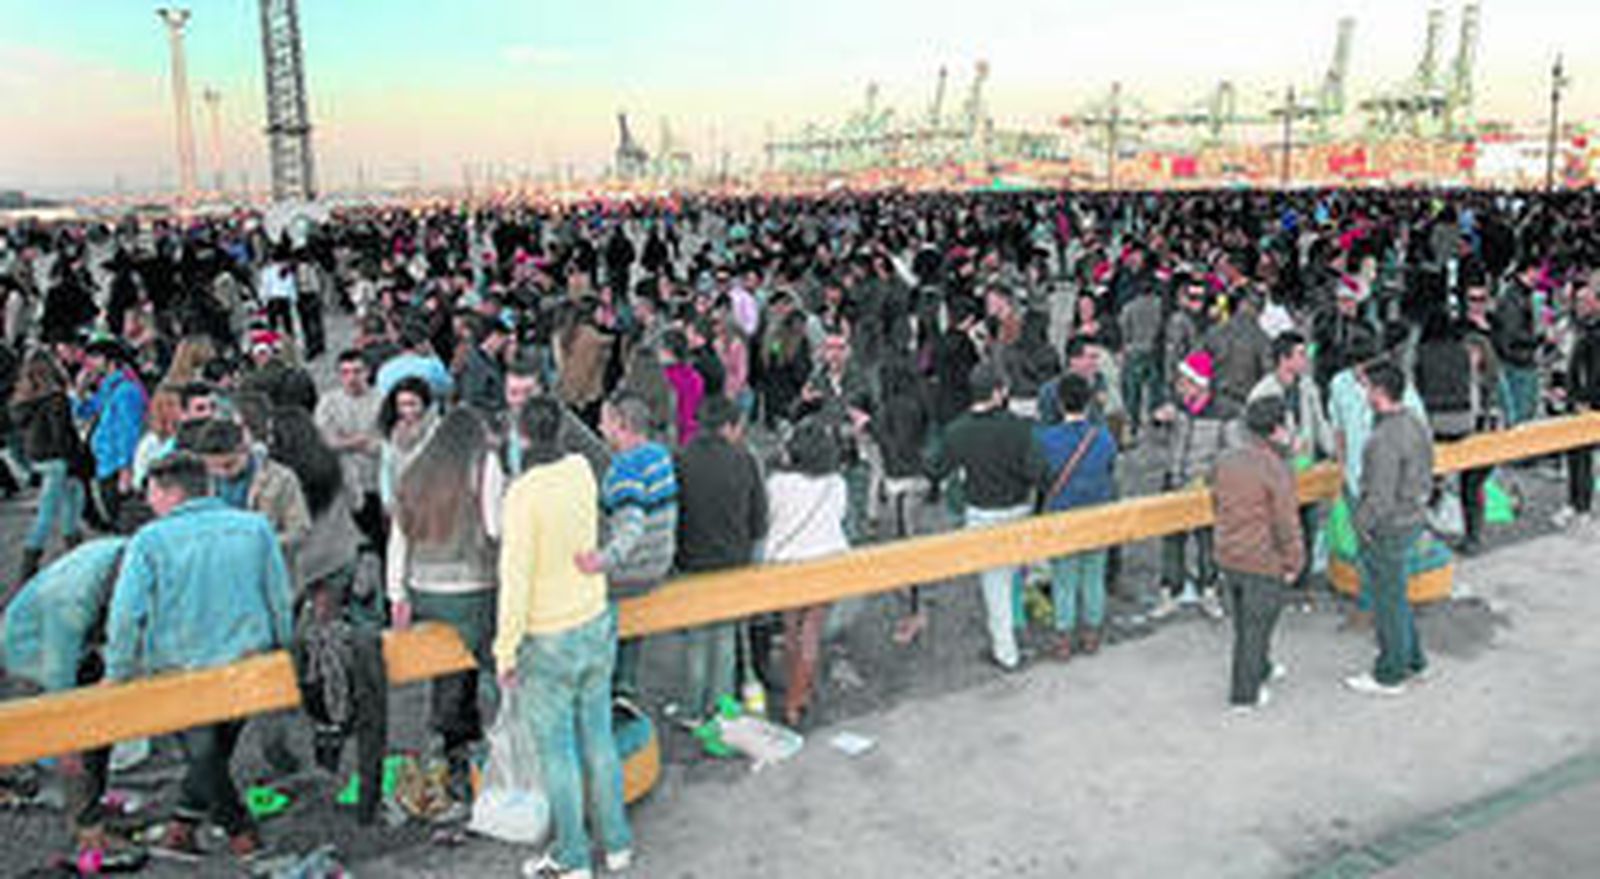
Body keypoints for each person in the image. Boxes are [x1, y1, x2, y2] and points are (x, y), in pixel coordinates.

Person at [105, 452, 293, 859]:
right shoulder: (255, 528)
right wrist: (284, 648)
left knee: (205, 755)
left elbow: (126, 613)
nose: (148, 500)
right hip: (249, 659)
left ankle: (243, 834)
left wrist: (117, 672)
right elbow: (279, 595)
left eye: (150, 491)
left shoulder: (150, 540)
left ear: (170, 492)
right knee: (214, 753)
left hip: (180, 665)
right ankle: (181, 830)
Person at [496, 396, 633, 879]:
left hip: (547, 636)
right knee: (598, 735)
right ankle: (616, 843)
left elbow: (515, 579)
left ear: (523, 437)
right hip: (594, 619)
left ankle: (573, 855)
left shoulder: (521, 494)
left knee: (558, 752)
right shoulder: (580, 469)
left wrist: (504, 650)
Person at [2, 537, 147, 870]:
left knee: (102, 723)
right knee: (79, 739)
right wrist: (67, 744)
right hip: (34, 643)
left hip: (79, 642)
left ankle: (90, 804)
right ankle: (87, 829)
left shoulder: (136, 555)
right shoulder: (71, 600)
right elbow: (59, 677)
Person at [388, 406, 504, 809]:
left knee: (447, 673)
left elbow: (398, 540)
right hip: (474, 585)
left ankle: (452, 746)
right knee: (485, 670)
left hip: (424, 588)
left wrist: (397, 594)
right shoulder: (484, 466)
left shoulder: (416, 471)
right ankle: (476, 750)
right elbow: (495, 527)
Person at [933, 361, 1047, 671]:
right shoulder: (1021, 428)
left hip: (981, 514)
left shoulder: (957, 431)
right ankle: (1023, 624)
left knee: (994, 586)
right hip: (1019, 510)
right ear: (999, 393)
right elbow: (1040, 473)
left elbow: (936, 468)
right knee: (1017, 574)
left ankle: (1006, 652)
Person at [575, 391, 679, 699]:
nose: (599, 427)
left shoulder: (624, 469)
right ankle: (626, 685)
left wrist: (601, 560)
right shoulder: (660, 455)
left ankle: (599, 685)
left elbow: (631, 527)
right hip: (659, 563)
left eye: (604, 421)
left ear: (621, 424)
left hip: (631, 571)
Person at [674, 395, 767, 720]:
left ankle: (692, 709)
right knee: (726, 639)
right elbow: (759, 520)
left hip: (692, 561)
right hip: (733, 562)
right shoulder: (745, 460)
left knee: (698, 640)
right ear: (729, 426)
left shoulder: (681, 458)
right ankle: (720, 708)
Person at [1345, 359, 1433, 696]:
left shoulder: (1383, 438)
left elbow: (1379, 499)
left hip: (1388, 526)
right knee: (1397, 597)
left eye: (1366, 387)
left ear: (1379, 393)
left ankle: (1390, 673)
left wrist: (1360, 523)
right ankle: (1414, 660)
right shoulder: (1414, 422)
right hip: (1410, 518)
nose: (1363, 393)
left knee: (1388, 603)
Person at [1212, 396, 1304, 711]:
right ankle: (1244, 693)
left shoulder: (1225, 459)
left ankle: (1261, 666)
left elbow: (1217, 503)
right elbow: (1285, 522)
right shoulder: (1275, 469)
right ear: (1277, 429)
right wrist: (1294, 561)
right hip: (1262, 559)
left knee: (1245, 619)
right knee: (1257, 625)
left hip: (1228, 552)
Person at [763, 419, 850, 725]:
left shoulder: (777, 484)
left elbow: (767, 520)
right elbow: (840, 518)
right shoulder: (837, 484)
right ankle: (797, 700)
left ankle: (794, 691)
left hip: (786, 567)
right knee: (811, 632)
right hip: (826, 564)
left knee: (790, 632)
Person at [1035, 374, 1118, 660]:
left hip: (1063, 516)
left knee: (1064, 579)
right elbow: (1110, 471)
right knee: (1094, 576)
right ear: (1089, 401)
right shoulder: (1104, 438)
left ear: (1059, 403)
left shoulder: (1046, 439)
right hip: (1097, 514)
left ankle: (1063, 639)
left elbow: (1042, 479)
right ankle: (1092, 634)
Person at [1150, 350, 1229, 620]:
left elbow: (1229, 452)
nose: (1178, 387)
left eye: (1184, 382)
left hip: (1204, 487)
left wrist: (1212, 479)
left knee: (1208, 543)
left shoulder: (1222, 413)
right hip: (1174, 482)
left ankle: (1210, 589)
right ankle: (1170, 590)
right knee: (1172, 541)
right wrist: (1158, 423)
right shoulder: (1177, 408)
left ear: (1199, 385)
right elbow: (1156, 441)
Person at [7, 348, 88, 594]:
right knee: (51, 511)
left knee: (68, 503)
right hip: (58, 458)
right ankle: (30, 566)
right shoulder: (56, 399)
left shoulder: (23, 401)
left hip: (39, 458)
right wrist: (77, 459)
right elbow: (62, 434)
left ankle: (72, 554)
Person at [73, 337, 148, 532]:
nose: (89, 364)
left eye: (95, 357)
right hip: (105, 462)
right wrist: (80, 390)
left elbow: (129, 432)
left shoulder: (126, 391)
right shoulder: (107, 388)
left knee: (122, 521)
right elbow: (84, 411)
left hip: (116, 466)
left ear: (111, 361)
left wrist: (126, 468)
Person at [316, 349, 385, 553]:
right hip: (344, 483)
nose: (351, 378)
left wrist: (343, 442)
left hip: (377, 480)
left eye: (357, 371)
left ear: (368, 372)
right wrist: (359, 441)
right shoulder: (328, 402)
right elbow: (323, 441)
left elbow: (389, 441)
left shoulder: (382, 400)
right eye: (345, 372)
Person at [1554, 270, 1598, 532]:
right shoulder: (1579, 328)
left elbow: (1594, 373)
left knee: (1582, 455)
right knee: (1574, 455)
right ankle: (1574, 503)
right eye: (1577, 302)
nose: (1578, 306)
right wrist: (1561, 387)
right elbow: (1569, 362)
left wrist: (1586, 400)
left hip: (1587, 403)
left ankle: (1581, 506)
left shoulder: (1594, 333)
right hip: (1574, 398)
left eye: (1583, 302)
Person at [376, 320, 455, 399]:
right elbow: (449, 387)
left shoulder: (384, 370)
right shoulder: (431, 365)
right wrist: (433, 355)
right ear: (420, 344)